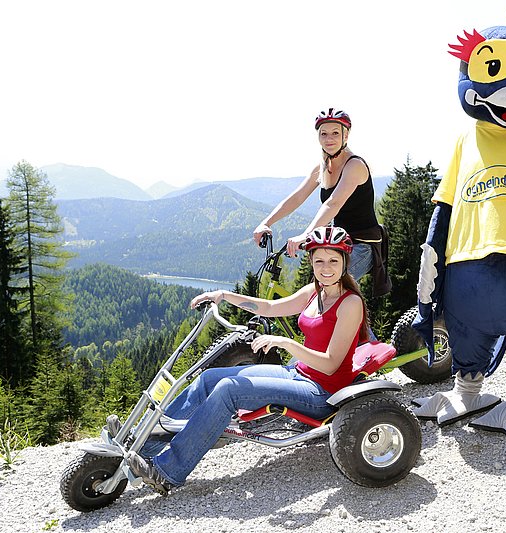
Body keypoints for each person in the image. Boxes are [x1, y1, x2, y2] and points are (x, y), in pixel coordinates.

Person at [125, 226, 370, 494]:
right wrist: (224, 295)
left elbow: (331, 363)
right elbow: (268, 308)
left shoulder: (350, 303)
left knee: (230, 390)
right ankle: (146, 445)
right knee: (208, 379)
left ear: (345, 262)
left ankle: (167, 472)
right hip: (299, 374)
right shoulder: (314, 292)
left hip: (323, 392)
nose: (326, 268)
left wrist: (286, 343)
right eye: (319, 260)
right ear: (310, 261)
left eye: (333, 260)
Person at [252, 108, 390, 296]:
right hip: (338, 243)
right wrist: (266, 223)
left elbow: (333, 203)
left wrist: (305, 235)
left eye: (335, 133)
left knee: (328, 292)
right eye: (323, 134)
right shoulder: (322, 166)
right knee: (316, 296)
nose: (328, 139)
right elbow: (297, 197)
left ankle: (361, 326)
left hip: (363, 246)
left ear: (346, 135)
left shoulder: (355, 165)